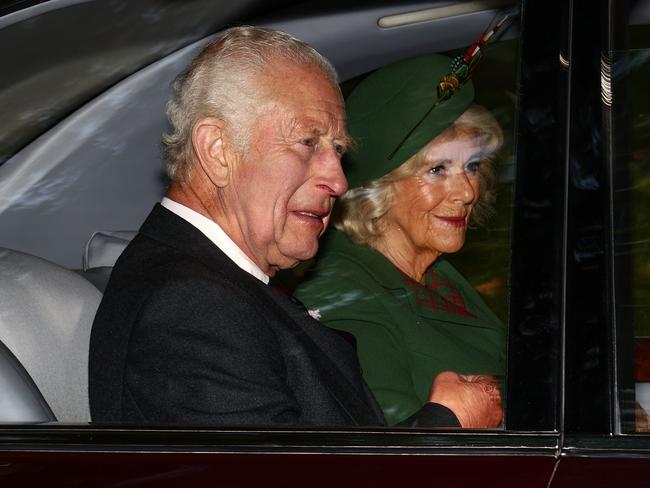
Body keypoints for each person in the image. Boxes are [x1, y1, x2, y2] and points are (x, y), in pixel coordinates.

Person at [89, 26, 501, 428]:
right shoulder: (192, 308)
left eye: (338, 151)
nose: (339, 181)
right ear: (217, 151)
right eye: (308, 142)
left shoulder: (216, 287)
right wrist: (446, 426)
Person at [295, 53, 506, 426]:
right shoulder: (342, 296)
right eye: (437, 169)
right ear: (379, 187)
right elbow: (393, 456)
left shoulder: (435, 274)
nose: (467, 192)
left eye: (472, 166)